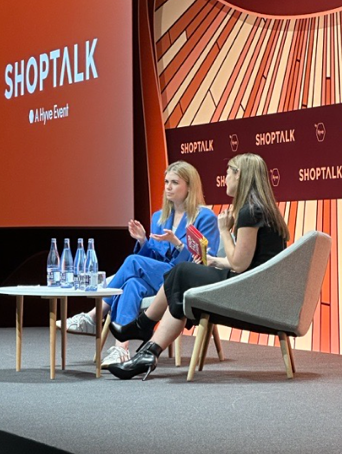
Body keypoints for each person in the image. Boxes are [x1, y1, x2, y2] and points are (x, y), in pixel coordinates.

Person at [107, 152, 290, 380]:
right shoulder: (262, 208)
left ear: (239, 175)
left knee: (182, 272)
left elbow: (240, 264)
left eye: (228, 173)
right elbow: (251, 260)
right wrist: (214, 261)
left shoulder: (249, 212)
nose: (225, 178)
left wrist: (224, 230)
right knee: (181, 280)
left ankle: (144, 325)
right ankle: (148, 351)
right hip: (256, 284)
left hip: (249, 290)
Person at [58, 161, 219, 366]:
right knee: (132, 284)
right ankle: (121, 349)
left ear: (189, 186)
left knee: (133, 262)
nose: (168, 187)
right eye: (166, 182)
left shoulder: (205, 216)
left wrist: (178, 244)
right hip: (160, 277)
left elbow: (206, 260)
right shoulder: (159, 217)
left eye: (175, 182)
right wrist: (143, 240)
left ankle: (94, 315)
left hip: (184, 278)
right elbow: (154, 258)